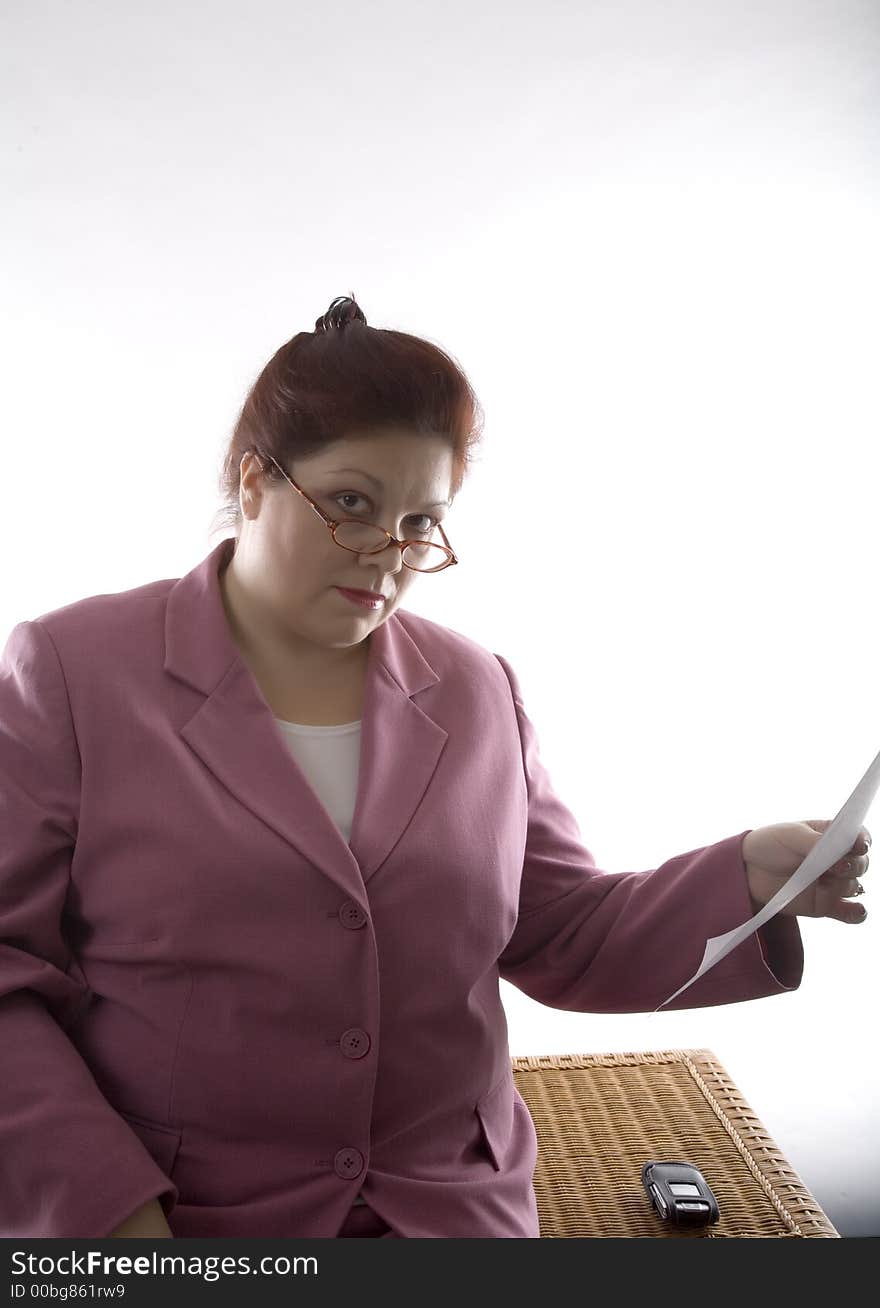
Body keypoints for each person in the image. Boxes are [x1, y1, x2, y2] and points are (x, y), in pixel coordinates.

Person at [0, 295, 870, 1240]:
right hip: (177, 1221)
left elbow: (556, 929)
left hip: (451, 1212)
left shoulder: (477, 686)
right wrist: (109, 1215)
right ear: (253, 481)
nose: (389, 552)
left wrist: (745, 878)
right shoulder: (74, 672)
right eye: (350, 504)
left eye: (422, 521)